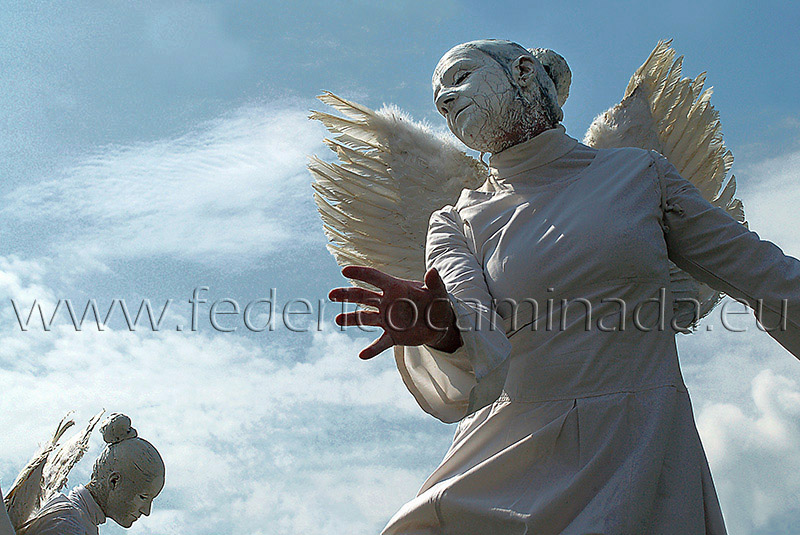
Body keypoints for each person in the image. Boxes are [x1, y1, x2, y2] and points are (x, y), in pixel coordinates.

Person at [329, 39, 800, 534]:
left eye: (460, 77)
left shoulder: (639, 174)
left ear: (525, 73)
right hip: (508, 468)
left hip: (640, 453)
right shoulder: (455, 220)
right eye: (438, 100)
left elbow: (768, 278)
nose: (446, 100)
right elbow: (478, 341)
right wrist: (439, 327)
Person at [18, 413, 165, 535]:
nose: (146, 511)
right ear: (114, 481)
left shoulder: (76, 520)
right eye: (143, 497)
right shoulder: (68, 525)